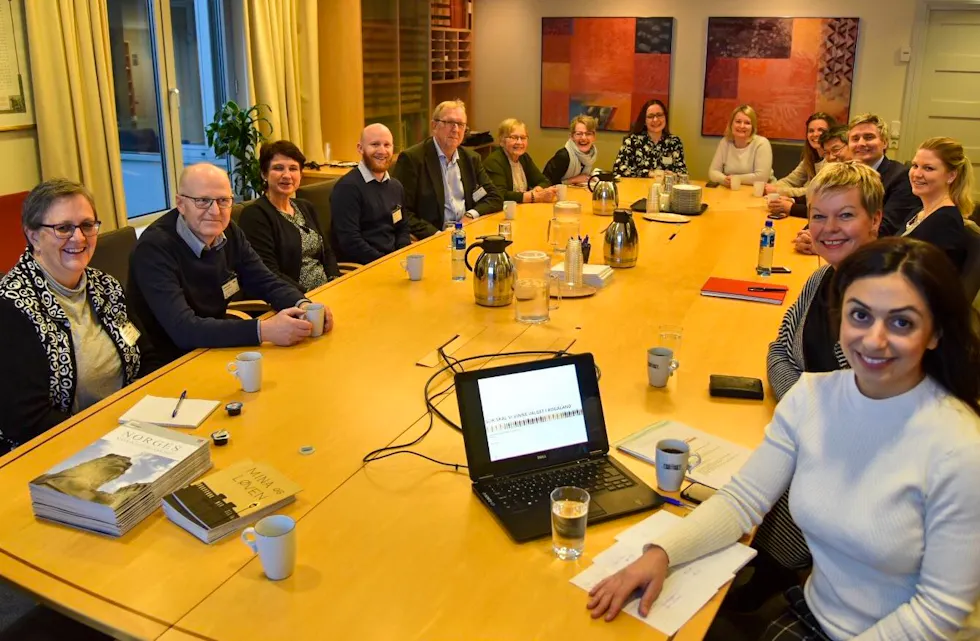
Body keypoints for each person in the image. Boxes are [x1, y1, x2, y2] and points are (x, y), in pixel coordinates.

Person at [588, 236, 980, 640]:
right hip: (818, 618)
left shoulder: (960, 446)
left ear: (935, 334)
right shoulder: (813, 396)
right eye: (860, 315)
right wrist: (661, 553)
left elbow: (939, 612)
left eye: (902, 322)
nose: (874, 339)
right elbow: (742, 501)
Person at [129, 163, 331, 367]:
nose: (215, 211)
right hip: (169, 363)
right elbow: (183, 329)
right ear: (181, 204)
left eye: (223, 201)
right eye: (203, 201)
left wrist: (303, 305)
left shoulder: (229, 231)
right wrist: (265, 330)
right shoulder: (154, 248)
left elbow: (264, 279)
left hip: (215, 346)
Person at [0, 180, 143, 454]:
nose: (78, 238)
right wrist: (107, 439)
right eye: (63, 228)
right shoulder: (11, 308)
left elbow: (143, 352)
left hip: (127, 429)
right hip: (55, 450)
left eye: (87, 225)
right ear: (33, 236)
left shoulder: (106, 286)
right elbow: (27, 422)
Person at [793, 114, 922, 253]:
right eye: (855, 139)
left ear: (884, 142)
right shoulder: (849, 174)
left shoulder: (901, 177)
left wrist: (828, 243)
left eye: (868, 137)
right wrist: (807, 235)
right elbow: (826, 211)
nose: (861, 143)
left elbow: (884, 230)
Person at [391, 99, 502, 239]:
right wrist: (437, 235)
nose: (455, 129)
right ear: (434, 126)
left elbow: (495, 197)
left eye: (461, 124)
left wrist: (470, 215)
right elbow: (402, 211)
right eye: (449, 123)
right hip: (431, 237)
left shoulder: (471, 159)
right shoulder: (412, 159)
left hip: (466, 233)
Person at [238, 140, 340, 291]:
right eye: (278, 168)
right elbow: (268, 272)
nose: (287, 175)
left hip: (327, 290)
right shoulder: (255, 215)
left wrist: (335, 281)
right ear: (264, 174)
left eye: (293, 168)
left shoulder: (306, 206)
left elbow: (327, 251)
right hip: (294, 300)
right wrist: (307, 297)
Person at [329, 123, 411, 264]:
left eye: (387, 145)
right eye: (375, 144)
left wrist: (402, 254)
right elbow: (350, 242)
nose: (382, 151)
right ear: (360, 148)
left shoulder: (396, 186)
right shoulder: (347, 188)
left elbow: (402, 227)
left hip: (395, 262)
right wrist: (386, 262)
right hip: (365, 267)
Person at [903, 136, 974, 272]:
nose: (917, 174)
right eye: (915, 166)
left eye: (928, 168)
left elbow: (931, 278)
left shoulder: (946, 221)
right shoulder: (918, 212)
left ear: (951, 176)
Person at [769, 126, 851, 219]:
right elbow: (816, 193)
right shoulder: (832, 168)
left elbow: (829, 212)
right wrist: (793, 200)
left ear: (851, 145)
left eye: (835, 150)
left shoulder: (855, 176)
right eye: (827, 153)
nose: (831, 157)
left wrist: (792, 207)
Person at [484, 118, 557, 204]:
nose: (519, 142)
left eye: (523, 138)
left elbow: (544, 181)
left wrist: (537, 190)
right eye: (514, 137)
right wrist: (534, 197)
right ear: (501, 141)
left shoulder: (523, 157)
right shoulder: (494, 161)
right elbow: (501, 194)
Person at [766, 112, 834, 198]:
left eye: (821, 130)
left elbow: (816, 191)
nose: (815, 134)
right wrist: (774, 187)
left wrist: (778, 191)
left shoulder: (833, 160)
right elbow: (790, 181)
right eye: (811, 131)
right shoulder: (809, 158)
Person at [612, 100, 687, 177]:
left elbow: (683, 173)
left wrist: (674, 175)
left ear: (665, 118)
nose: (655, 120)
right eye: (650, 116)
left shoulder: (675, 142)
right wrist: (649, 174)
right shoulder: (632, 141)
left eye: (659, 115)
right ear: (644, 121)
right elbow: (618, 170)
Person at [708, 104, 773, 188]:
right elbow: (713, 172)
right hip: (731, 190)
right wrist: (724, 179)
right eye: (738, 121)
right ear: (731, 124)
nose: (742, 126)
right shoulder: (725, 142)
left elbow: (761, 178)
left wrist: (736, 179)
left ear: (752, 127)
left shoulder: (762, 143)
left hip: (759, 192)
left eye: (747, 123)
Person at [543, 115, 598, 185]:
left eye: (588, 134)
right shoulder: (563, 156)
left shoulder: (591, 155)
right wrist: (574, 180)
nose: (584, 138)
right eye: (579, 134)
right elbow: (546, 184)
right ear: (571, 137)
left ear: (594, 137)